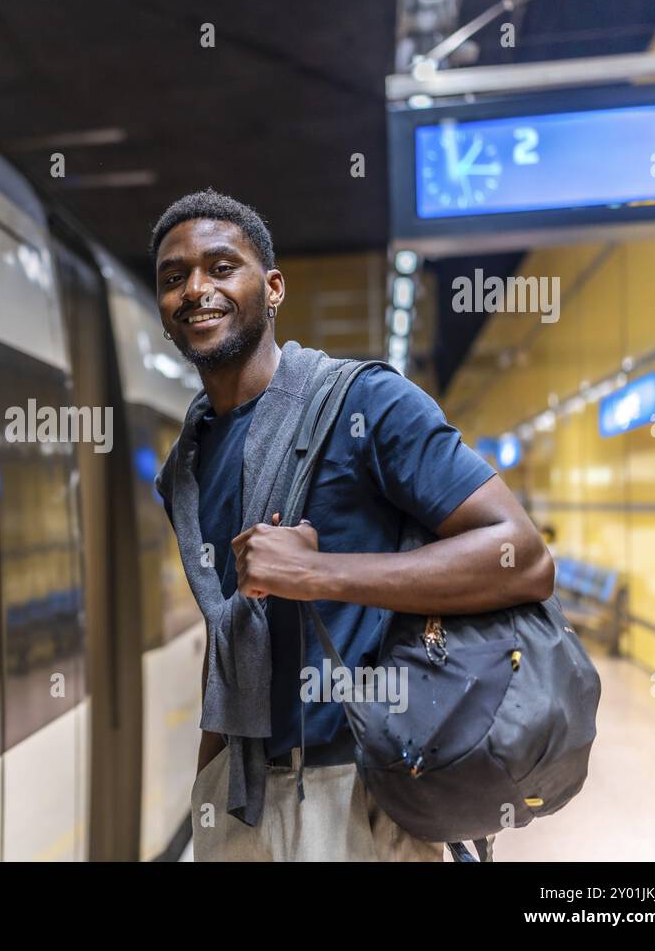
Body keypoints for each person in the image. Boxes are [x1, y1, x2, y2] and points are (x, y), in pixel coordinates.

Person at [151, 190, 554, 861]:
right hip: (244, 798)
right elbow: (228, 635)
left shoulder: (365, 403)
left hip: (365, 791)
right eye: (173, 277)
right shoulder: (186, 464)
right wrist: (209, 796)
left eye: (222, 267)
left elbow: (524, 556)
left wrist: (317, 573)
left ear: (272, 287)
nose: (196, 288)